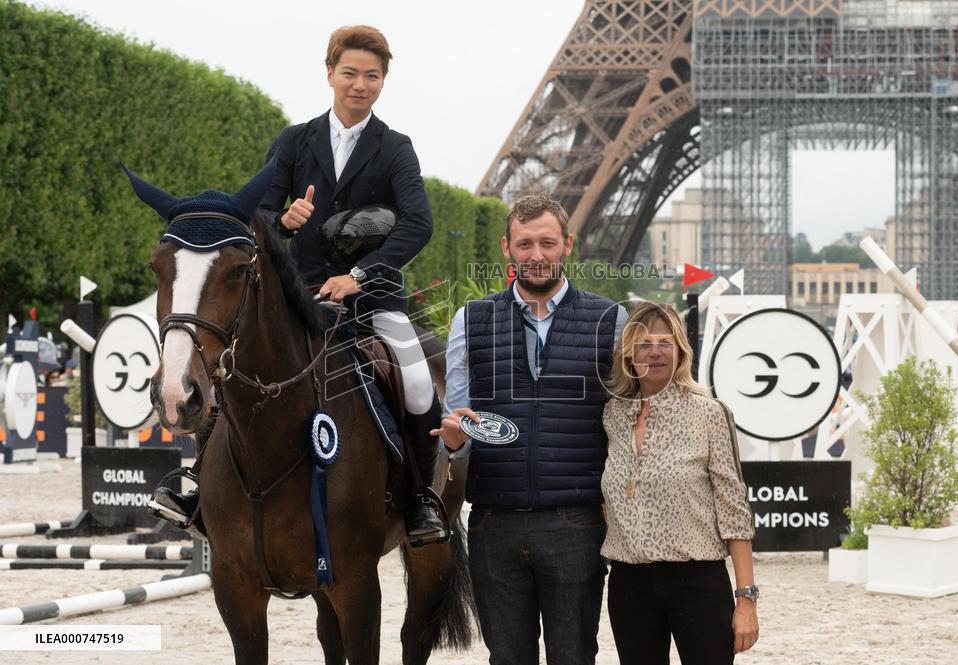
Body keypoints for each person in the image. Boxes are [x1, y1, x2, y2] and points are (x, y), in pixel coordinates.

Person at [153, 25, 448, 547]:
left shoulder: (395, 148)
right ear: (330, 73)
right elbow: (257, 214)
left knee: (420, 382)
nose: (360, 84)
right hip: (297, 297)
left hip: (370, 295)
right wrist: (284, 222)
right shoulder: (293, 141)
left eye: (372, 76)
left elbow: (417, 223)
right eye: (351, 73)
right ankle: (200, 484)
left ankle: (422, 497)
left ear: (383, 81)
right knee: (231, 370)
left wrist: (357, 275)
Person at [432, 193, 627, 665]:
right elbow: (459, 420)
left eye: (546, 242)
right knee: (507, 658)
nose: (536, 255)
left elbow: (627, 419)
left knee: (575, 656)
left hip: (575, 522)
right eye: (524, 244)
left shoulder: (611, 320)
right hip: (493, 522)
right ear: (506, 248)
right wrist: (455, 444)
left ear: (567, 245)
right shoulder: (470, 321)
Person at [601, 302, 758, 665]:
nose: (654, 351)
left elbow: (734, 511)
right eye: (643, 343)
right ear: (628, 353)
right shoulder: (612, 415)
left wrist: (746, 599)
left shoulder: (708, 414)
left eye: (664, 342)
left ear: (680, 351)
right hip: (629, 586)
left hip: (698, 583)